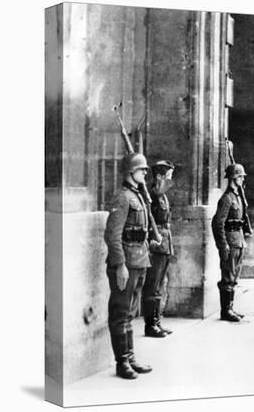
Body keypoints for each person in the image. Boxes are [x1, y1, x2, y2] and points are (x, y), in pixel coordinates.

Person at [104, 152, 154, 379]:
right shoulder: (122, 197)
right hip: (126, 264)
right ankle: (121, 362)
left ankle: (130, 357)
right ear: (130, 171)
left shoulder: (137, 196)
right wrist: (120, 265)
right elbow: (112, 235)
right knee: (120, 313)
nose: (145, 172)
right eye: (141, 169)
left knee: (130, 313)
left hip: (139, 260)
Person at [141, 160, 175, 337]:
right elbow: (148, 221)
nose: (171, 180)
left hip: (165, 242)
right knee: (152, 286)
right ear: (159, 176)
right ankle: (150, 325)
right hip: (156, 244)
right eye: (168, 176)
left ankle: (157, 321)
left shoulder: (161, 195)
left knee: (160, 285)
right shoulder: (153, 195)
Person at [211, 163, 248, 322]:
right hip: (230, 242)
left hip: (238, 240)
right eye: (240, 176)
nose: (242, 179)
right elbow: (217, 223)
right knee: (227, 277)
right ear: (233, 177)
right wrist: (223, 246)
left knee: (234, 277)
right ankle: (225, 311)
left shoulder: (237, 196)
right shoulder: (226, 199)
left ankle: (230, 308)